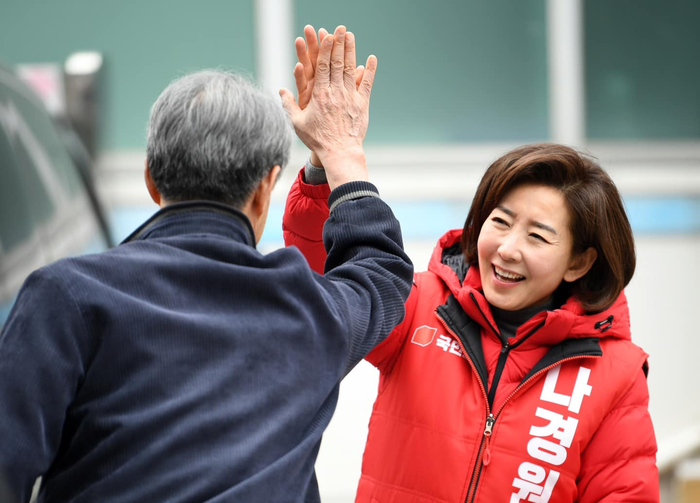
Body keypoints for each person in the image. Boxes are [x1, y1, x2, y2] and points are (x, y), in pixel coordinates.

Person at [0, 27, 413, 503]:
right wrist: (340, 151)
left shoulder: (66, 297)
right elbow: (381, 271)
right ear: (265, 189)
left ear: (152, 181)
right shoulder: (309, 309)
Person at [283, 27, 659, 503]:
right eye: (500, 222)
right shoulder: (419, 303)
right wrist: (326, 163)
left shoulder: (614, 374)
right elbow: (323, 278)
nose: (507, 248)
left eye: (538, 235)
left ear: (580, 262)